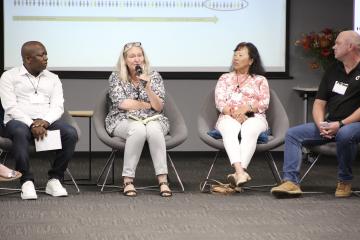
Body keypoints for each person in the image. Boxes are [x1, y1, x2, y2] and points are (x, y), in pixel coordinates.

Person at [271, 30, 360, 198]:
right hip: (330, 124)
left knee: (345, 133)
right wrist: (321, 124)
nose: (333, 46)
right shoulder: (334, 69)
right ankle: (290, 182)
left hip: (353, 125)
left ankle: (344, 180)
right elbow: (319, 102)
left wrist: (340, 124)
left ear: (350, 47)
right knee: (292, 134)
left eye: (338, 43)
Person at [0, 41, 78, 200]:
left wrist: (45, 122)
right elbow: (10, 107)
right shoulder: (9, 77)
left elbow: (58, 106)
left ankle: (55, 178)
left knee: (70, 133)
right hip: (18, 121)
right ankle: (26, 181)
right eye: (41, 55)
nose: (46, 58)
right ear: (28, 59)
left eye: (46, 54)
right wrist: (31, 123)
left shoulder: (53, 78)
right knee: (20, 132)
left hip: (45, 121)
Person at [105, 42, 172, 197]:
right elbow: (122, 103)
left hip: (152, 118)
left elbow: (158, 107)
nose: (137, 59)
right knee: (138, 129)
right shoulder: (116, 77)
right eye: (132, 56)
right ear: (125, 60)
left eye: (139, 55)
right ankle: (128, 180)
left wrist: (147, 87)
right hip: (122, 119)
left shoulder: (154, 76)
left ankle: (163, 180)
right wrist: (145, 104)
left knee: (154, 130)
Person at [215, 42, 270, 187]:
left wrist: (247, 108)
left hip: (254, 118)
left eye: (240, 55)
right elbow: (220, 103)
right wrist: (235, 114)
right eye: (235, 54)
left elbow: (264, 103)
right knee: (229, 129)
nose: (236, 58)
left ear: (251, 60)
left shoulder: (260, 80)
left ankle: (239, 172)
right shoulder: (224, 78)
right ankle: (240, 172)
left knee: (249, 129)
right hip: (228, 117)